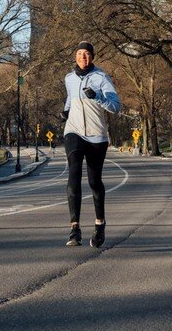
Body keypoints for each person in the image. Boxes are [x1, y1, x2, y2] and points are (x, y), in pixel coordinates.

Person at [61, 41, 121, 248]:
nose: (83, 57)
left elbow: (116, 107)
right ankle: (74, 228)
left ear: (92, 57)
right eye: (79, 54)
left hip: (97, 136)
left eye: (86, 54)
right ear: (75, 56)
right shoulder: (69, 78)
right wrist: (66, 111)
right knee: (74, 173)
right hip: (74, 131)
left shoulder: (101, 78)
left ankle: (99, 223)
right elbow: (70, 98)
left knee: (95, 182)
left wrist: (97, 97)